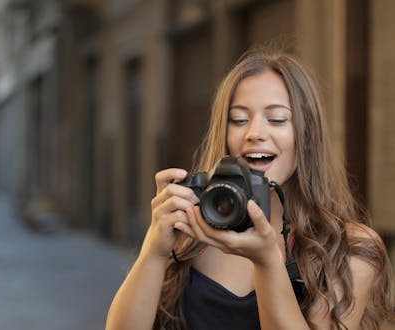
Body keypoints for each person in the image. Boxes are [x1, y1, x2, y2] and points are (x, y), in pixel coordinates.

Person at [106, 48, 394, 329]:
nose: (254, 133)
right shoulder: (192, 227)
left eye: (277, 119)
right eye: (239, 119)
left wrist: (267, 260)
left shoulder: (349, 248)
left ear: (306, 136)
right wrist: (153, 252)